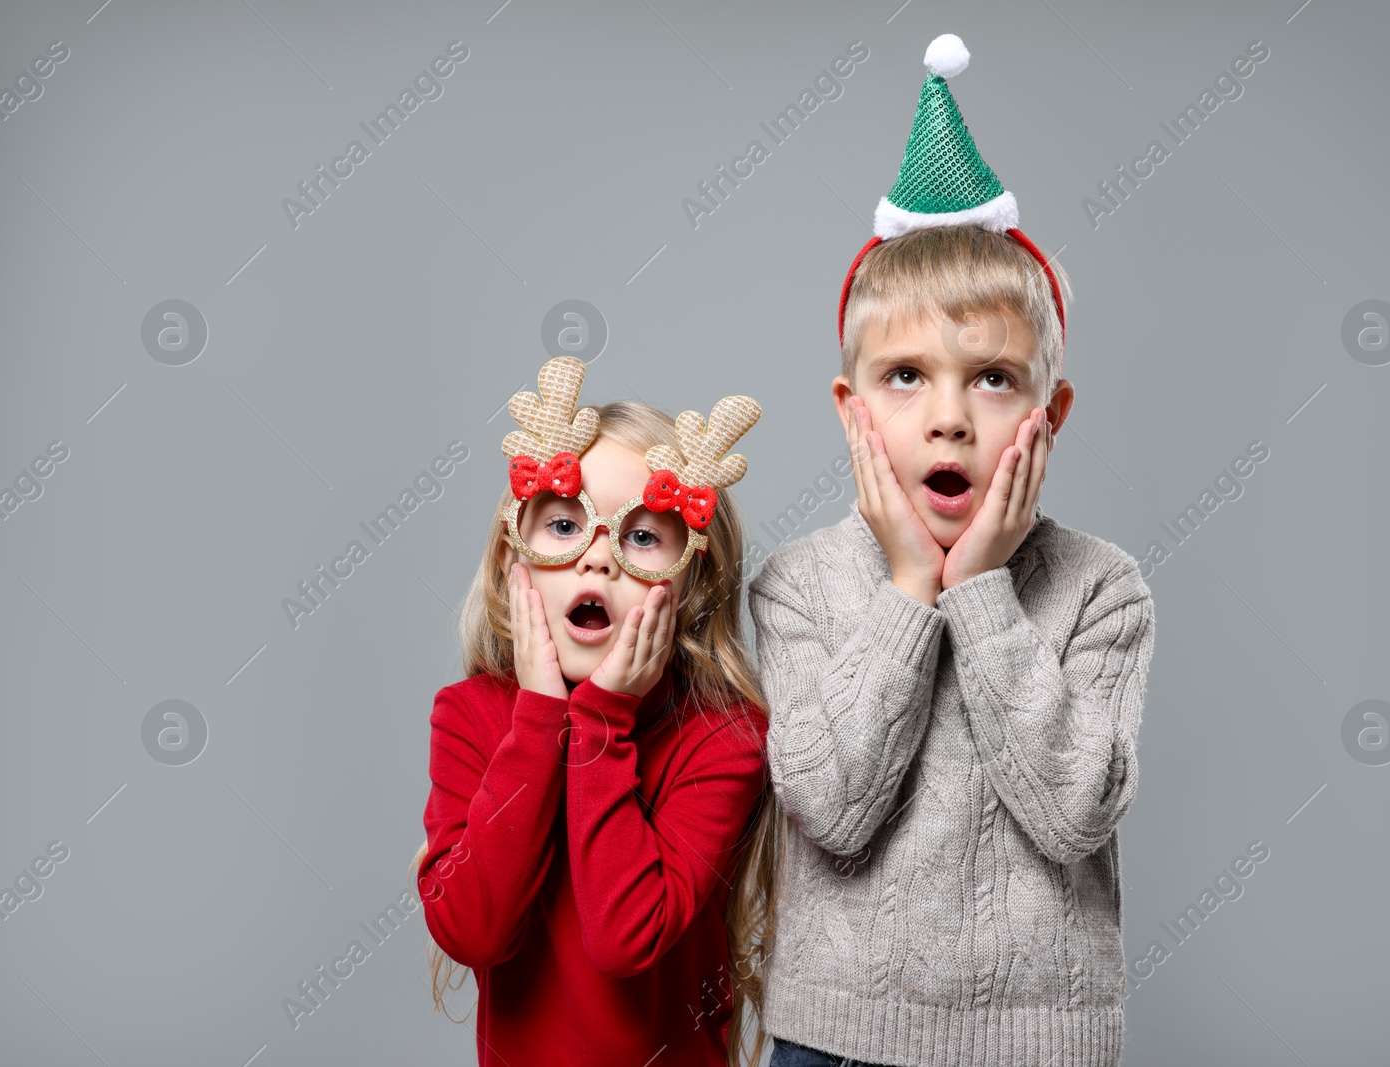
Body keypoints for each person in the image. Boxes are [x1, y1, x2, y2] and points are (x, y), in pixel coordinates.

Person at [750, 34, 1156, 1067]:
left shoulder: (1101, 588)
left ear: (1049, 413)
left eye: (991, 378)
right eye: (904, 376)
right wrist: (904, 591)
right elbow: (831, 809)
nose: (947, 419)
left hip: (1037, 1044)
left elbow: (1075, 813)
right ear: (851, 413)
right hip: (833, 1038)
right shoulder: (799, 584)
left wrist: (977, 589)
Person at [411, 356, 781, 1066]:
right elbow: (473, 931)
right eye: (564, 526)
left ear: (689, 581)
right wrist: (540, 721)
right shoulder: (470, 716)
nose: (599, 562)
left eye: (642, 536)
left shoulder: (722, 737)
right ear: (510, 559)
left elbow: (624, 935)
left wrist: (602, 723)